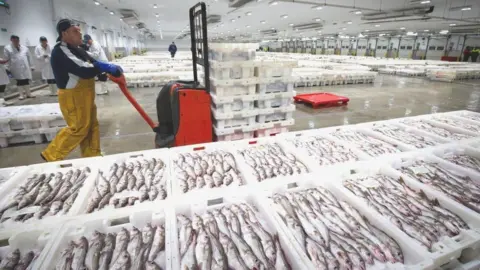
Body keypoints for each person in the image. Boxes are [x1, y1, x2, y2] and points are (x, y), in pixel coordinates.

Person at [41, 19, 123, 162]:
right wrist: (106, 68)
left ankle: (92, 156)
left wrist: (102, 73)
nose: (79, 34)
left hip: (85, 95)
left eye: (79, 31)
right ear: (64, 33)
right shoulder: (60, 50)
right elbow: (82, 69)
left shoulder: (77, 48)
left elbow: (92, 63)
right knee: (78, 128)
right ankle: (51, 155)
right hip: (72, 96)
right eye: (75, 31)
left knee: (91, 126)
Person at [3, 35, 35, 100]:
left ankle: (29, 94)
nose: (16, 42)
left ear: (19, 40)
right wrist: (7, 68)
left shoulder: (25, 48)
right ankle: (21, 95)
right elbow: (6, 59)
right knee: (19, 81)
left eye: (17, 40)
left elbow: (30, 57)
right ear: (11, 40)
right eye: (14, 40)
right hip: (15, 68)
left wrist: (32, 66)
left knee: (26, 80)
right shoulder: (7, 48)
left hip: (25, 67)